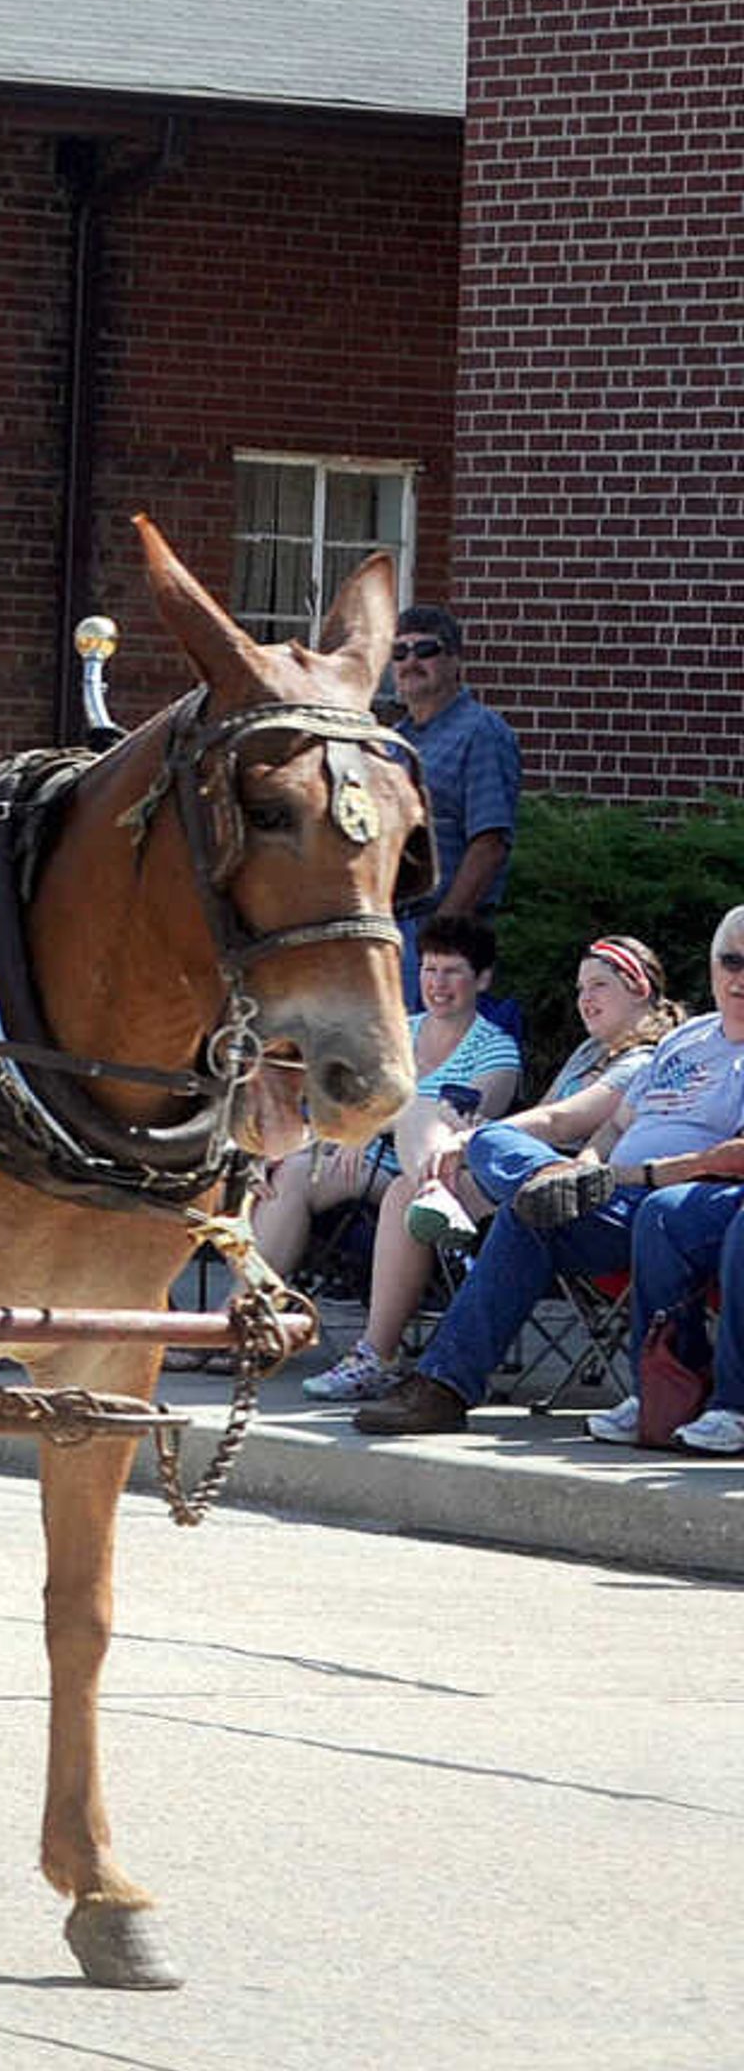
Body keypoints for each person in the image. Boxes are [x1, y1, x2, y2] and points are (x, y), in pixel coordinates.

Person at [356, 907, 744, 1447]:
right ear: (711, 965)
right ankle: (443, 1386)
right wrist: (584, 1168)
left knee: (546, 1206)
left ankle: (449, 1380)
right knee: (507, 1168)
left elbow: (731, 1158)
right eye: (731, 960)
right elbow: (614, 1127)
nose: (740, 976)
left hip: (673, 1202)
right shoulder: (688, 1040)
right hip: (606, 1194)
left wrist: (637, 1174)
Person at [252, 912, 520, 1395]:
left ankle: (432, 1199)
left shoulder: (496, 1051)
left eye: (453, 971)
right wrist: (355, 1132)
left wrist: (376, 1122)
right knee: (290, 1171)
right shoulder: (395, 1033)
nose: (438, 984)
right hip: (361, 1163)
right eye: (429, 970)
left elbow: (470, 1125)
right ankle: (243, 1321)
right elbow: (340, 1105)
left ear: (482, 979)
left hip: (431, 1173)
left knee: (416, 1108)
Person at [383, 604, 519, 1008]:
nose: (411, 661)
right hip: (386, 927)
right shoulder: (391, 742)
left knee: (423, 1064)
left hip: (436, 934)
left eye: (425, 650)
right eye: (399, 653)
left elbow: (489, 843)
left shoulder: (481, 733)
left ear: (455, 660)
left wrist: (440, 936)